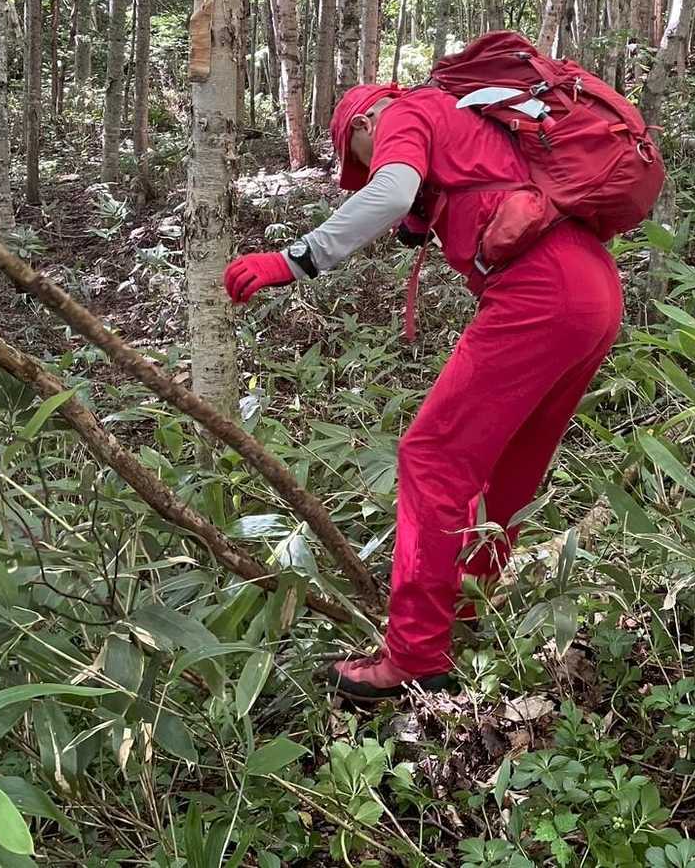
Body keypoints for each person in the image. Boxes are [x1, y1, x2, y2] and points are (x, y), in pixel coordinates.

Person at [223, 81, 624, 700]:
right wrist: (429, 211)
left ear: (364, 124)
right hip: (594, 292)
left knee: (432, 458)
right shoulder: (470, 120)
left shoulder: (406, 110)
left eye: (361, 155)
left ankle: (415, 654)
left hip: (540, 294)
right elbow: (467, 189)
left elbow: (390, 191)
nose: (370, 164)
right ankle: (467, 609)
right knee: (509, 467)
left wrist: (295, 260)